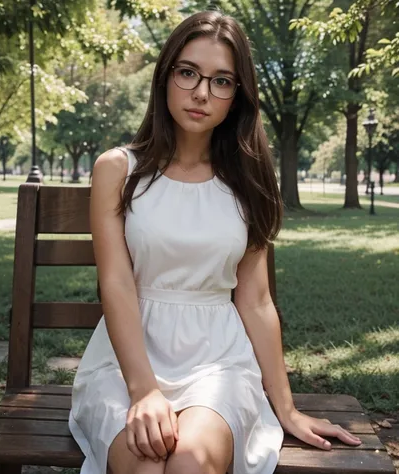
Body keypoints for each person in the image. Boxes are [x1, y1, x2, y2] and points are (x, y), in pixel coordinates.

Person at [69, 10, 362, 474]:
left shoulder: (248, 183)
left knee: (189, 460)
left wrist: (286, 408)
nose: (202, 92)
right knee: (144, 464)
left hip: (217, 363)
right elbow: (117, 284)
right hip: (127, 362)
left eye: (222, 81)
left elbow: (257, 300)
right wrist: (144, 391)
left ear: (237, 97)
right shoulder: (118, 169)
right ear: (165, 77)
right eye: (188, 73)